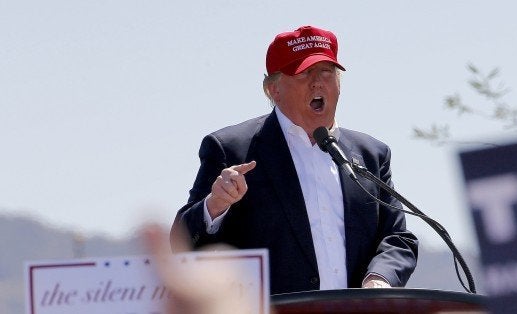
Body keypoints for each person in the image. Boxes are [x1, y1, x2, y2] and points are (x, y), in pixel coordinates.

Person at [171, 25, 418, 295]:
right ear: (273, 89)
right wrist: (216, 205)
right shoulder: (232, 149)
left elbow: (397, 238)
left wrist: (379, 278)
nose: (317, 82)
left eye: (326, 71)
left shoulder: (371, 154)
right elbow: (182, 242)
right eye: (304, 73)